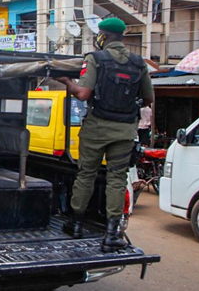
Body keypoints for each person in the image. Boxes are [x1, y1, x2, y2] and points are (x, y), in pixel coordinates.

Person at [54, 18, 154, 253]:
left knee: (86, 174)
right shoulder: (139, 63)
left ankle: (76, 224)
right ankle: (111, 235)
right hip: (125, 131)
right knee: (117, 179)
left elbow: (82, 93)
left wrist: (68, 81)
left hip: (97, 129)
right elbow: (148, 99)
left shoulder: (95, 58)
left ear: (104, 36)